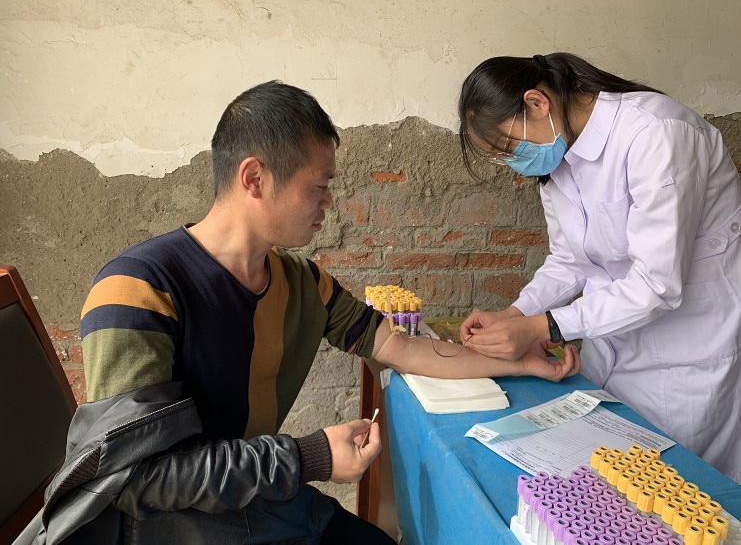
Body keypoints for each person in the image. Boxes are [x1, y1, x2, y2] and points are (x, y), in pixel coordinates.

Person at [36, 80, 580, 545]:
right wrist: (308, 457)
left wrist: (520, 362)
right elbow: (137, 480)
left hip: (256, 502)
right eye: (318, 187)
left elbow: (402, 347)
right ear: (254, 178)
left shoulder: (300, 283)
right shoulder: (137, 290)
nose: (328, 204)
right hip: (171, 528)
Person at [457, 52, 741, 483]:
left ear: (537, 103)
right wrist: (516, 314)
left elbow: (656, 284)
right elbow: (569, 261)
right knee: (609, 480)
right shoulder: (560, 158)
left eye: (509, 148)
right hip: (611, 344)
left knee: (671, 489)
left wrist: (545, 327)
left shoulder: (655, 134)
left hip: (687, 354)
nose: (513, 164)